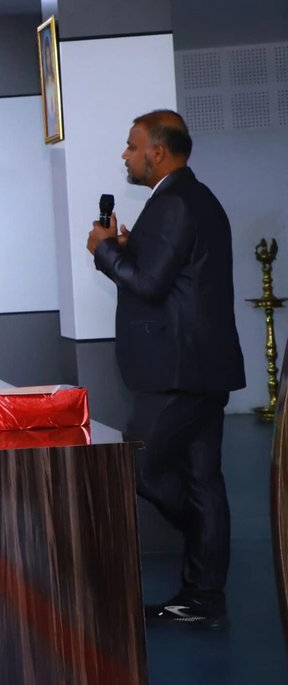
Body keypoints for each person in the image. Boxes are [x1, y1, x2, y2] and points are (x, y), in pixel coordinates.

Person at [88, 109, 245, 629]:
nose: (126, 155)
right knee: (202, 482)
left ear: (157, 152)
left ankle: (205, 556)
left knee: (140, 468)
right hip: (202, 368)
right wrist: (129, 249)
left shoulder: (174, 202)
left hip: (177, 373)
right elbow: (171, 276)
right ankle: (203, 598)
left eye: (132, 146)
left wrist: (105, 252)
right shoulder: (195, 198)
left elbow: (149, 285)